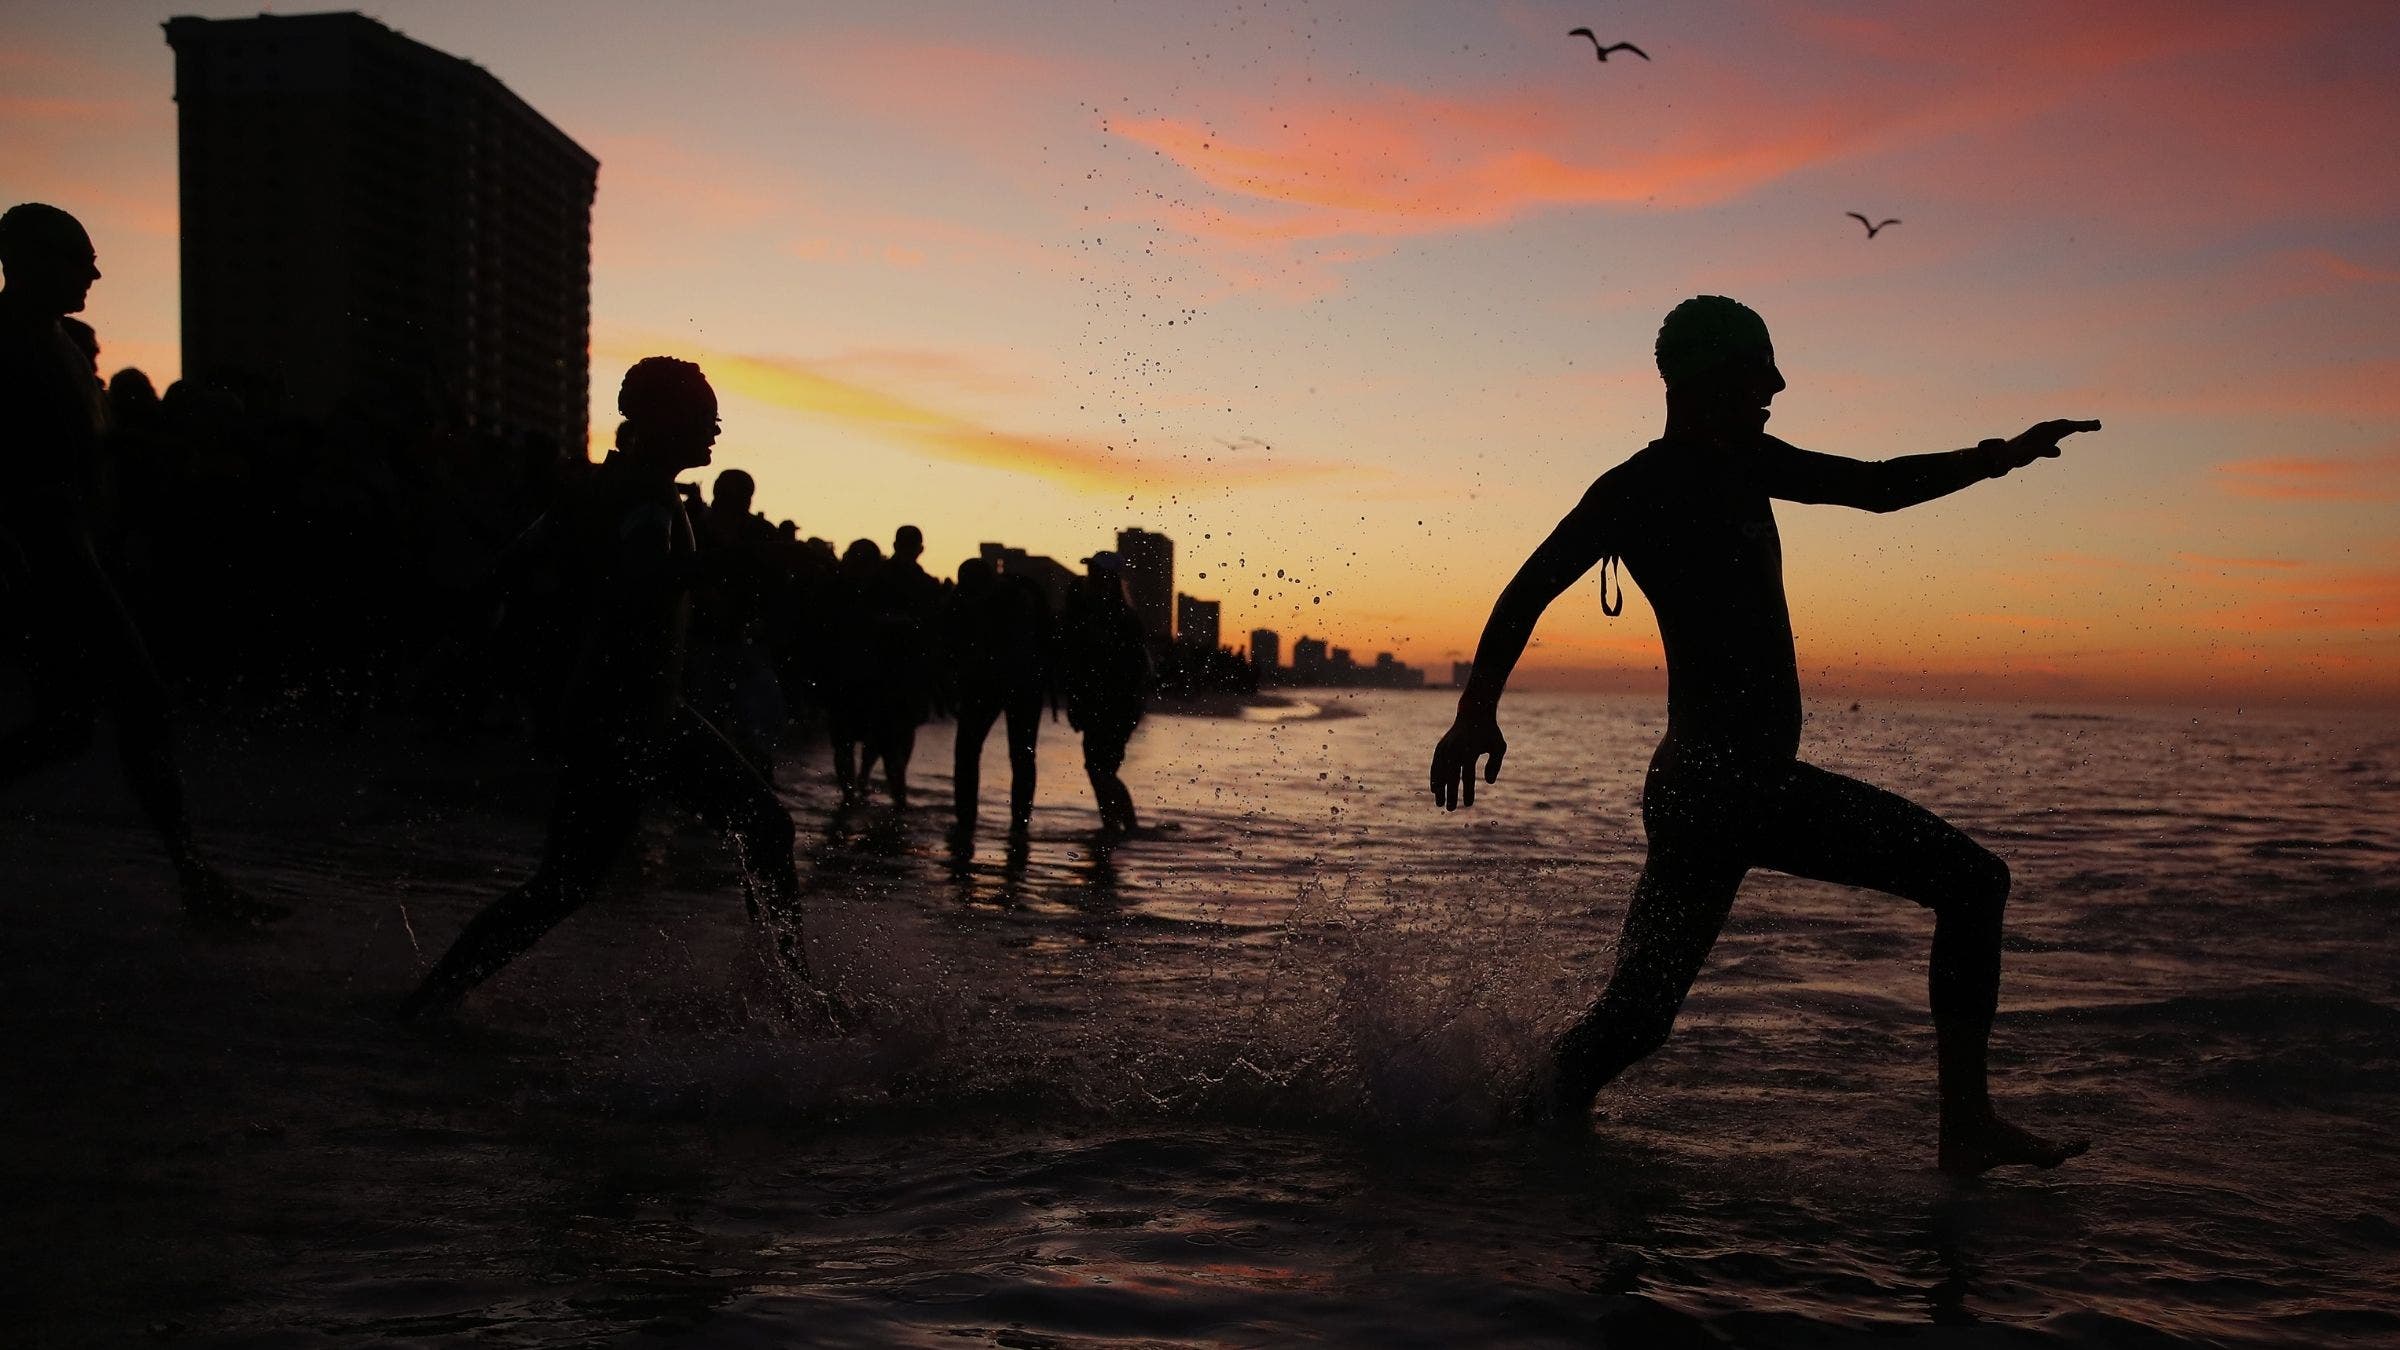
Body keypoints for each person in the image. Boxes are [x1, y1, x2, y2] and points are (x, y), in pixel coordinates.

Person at [1429, 295, 2099, 1175]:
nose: (1778, 385)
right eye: (1759, 371)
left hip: (1701, 788)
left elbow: (1874, 484)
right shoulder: (1637, 488)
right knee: (1973, 883)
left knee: (1638, 1017)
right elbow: (1527, 589)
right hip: (1727, 783)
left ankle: (1504, 1131)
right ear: (1706, 379)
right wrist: (1476, 711)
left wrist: (1995, 459)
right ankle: (1964, 1126)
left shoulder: (1749, 461)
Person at [398, 358, 831, 1020]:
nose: (715, 432)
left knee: (569, 881)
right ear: (662, 422)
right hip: (627, 714)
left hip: (627, 709)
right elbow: (631, 583)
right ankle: (797, 999)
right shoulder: (645, 505)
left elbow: (507, 569)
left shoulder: (610, 490)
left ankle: (433, 999)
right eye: (703, 419)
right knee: (751, 829)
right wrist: (695, 568)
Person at [0, 202, 280, 926]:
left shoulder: (57, 342)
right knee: (136, 701)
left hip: (73, 550)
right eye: (76, 258)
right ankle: (193, 876)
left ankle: (194, 874)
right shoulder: (7, 343)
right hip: (41, 556)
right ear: (27, 259)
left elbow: (86, 447)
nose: (93, 272)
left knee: (68, 724)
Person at [943, 556, 1051, 839]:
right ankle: (1010, 825)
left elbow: (956, 647)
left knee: (982, 752)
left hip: (1013, 682)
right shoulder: (970, 599)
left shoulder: (1014, 601)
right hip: (1013, 683)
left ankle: (980, 823)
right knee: (1016, 755)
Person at [1058, 552, 1148, 836]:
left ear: (1109, 579)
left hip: (1117, 705)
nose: (1091, 576)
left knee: (1101, 769)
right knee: (1097, 768)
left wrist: (1131, 705)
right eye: (1091, 571)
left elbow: (1135, 668)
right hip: (1094, 703)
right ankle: (1113, 826)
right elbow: (1076, 662)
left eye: (1097, 572)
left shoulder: (1122, 618)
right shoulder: (1088, 611)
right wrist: (1076, 702)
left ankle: (1129, 826)